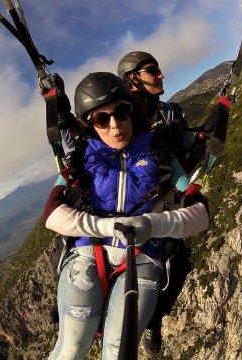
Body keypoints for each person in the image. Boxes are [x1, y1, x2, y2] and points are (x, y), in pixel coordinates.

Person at [42, 72, 209, 360]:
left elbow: (201, 214)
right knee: (70, 350)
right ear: (90, 125)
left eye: (121, 112)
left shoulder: (160, 154)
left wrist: (151, 225)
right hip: (87, 253)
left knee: (118, 352)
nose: (115, 125)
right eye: (101, 119)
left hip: (143, 257)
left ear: (131, 111)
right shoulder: (82, 158)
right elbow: (52, 214)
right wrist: (104, 225)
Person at [117, 51, 205, 354]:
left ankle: (153, 323)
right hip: (124, 196)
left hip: (164, 194)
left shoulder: (171, 113)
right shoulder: (120, 116)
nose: (161, 76)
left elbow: (189, 151)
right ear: (133, 79)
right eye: (152, 71)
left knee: (176, 263)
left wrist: (206, 141)